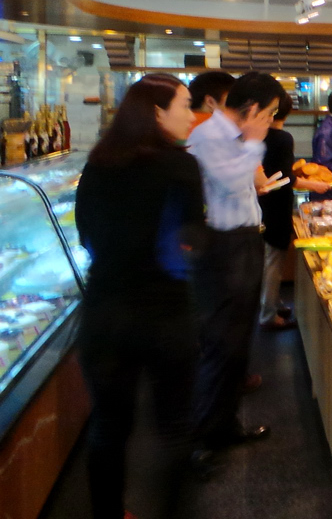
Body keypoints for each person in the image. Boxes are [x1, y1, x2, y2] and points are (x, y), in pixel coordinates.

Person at [76, 74, 205, 518]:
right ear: (157, 112)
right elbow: (191, 241)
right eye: (185, 106)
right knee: (174, 427)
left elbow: (86, 236)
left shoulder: (98, 164)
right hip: (164, 315)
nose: (192, 116)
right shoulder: (180, 167)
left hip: (104, 313)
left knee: (108, 427)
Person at [187, 71, 283, 464]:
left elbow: (238, 184)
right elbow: (228, 182)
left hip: (243, 242)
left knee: (238, 343)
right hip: (224, 249)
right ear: (253, 109)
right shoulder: (209, 135)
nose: (271, 121)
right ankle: (202, 440)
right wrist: (256, 143)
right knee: (221, 344)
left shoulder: (233, 137)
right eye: (270, 113)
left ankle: (224, 425)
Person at [257, 93, 330, 330]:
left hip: (261, 203)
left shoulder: (257, 136)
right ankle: (268, 314)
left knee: (268, 258)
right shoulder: (282, 138)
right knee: (274, 259)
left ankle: (272, 302)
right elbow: (287, 178)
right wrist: (314, 184)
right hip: (276, 204)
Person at [187, 70, 235, 134]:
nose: (236, 108)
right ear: (210, 102)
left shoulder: (181, 127)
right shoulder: (223, 130)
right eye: (231, 101)